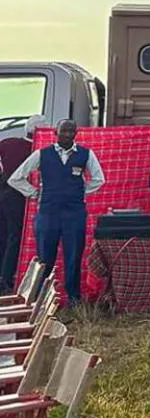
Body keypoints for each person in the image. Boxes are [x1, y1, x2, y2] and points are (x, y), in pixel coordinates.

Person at [7, 119, 105, 306]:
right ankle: (42, 300)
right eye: (64, 131)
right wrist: (34, 193)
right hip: (48, 213)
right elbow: (16, 178)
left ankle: (73, 299)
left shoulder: (85, 154)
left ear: (76, 133)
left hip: (74, 214)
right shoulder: (42, 154)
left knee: (73, 256)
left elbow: (99, 179)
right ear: (55, 133)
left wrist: (81, 191)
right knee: (45, 258)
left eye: (71, 132)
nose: (68, 135)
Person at [0, 116, 44, 292]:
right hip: (17, 197)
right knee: (15, 236)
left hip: (2, 193)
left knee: (3, 233)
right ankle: (6, 278)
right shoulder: (35, 149)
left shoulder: (8, 142)